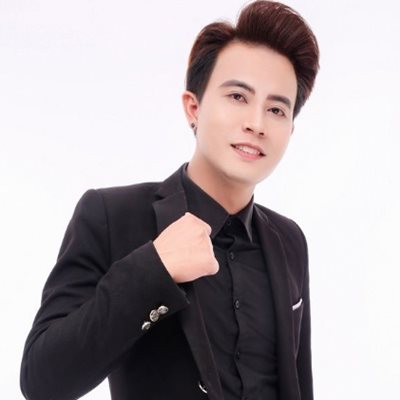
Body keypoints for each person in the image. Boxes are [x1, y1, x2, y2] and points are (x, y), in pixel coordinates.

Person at [20, 1, 319, 399]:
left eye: (277, 109)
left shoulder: (289, 239)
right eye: (237, 96)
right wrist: (155, 269)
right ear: (193, 107)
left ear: (290, 130)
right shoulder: (111, 216)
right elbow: (43, 381)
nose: (256, 123)